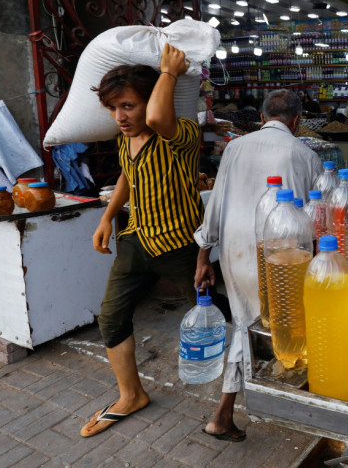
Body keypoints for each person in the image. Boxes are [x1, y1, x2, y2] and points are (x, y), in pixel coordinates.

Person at [81, 44, 203, 437]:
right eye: (114, 108)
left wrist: (168, 71)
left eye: (129, 106)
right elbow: (127, 177)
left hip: (182, 247)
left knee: (223, 315)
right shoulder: (124, 140)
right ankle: (131, 395)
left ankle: (258, 383)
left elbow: (157, 117)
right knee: (112, 316)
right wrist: (107, 216)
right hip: (136, 241)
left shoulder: (181, 135)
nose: (120, 117)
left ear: (151, 102)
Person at [194, 89, 322, 442]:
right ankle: (223, 413)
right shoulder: (306, 154)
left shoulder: (234, 147)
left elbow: (215, 204)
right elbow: (316, 214)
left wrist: (204, 257)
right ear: (296, 122)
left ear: (263, 118)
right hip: (282, 251)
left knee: (247, 320)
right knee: (266, 323)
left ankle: (265, 397)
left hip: (235, 247)